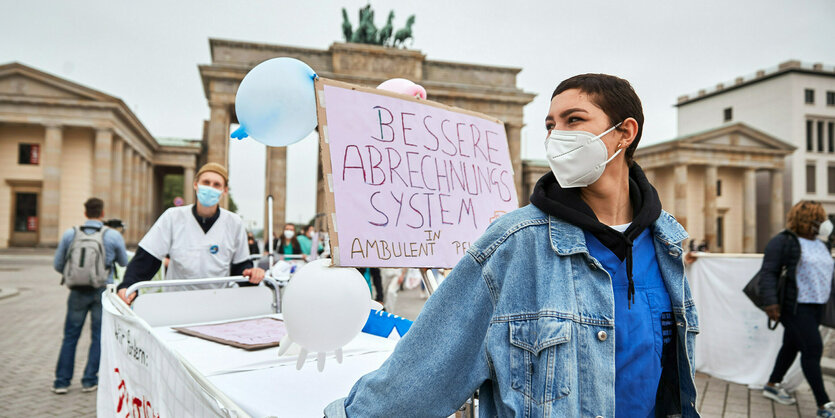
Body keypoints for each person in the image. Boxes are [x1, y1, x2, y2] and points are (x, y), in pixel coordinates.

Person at [324, 74, 699, 417]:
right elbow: (420, 376)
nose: (557, 136)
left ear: (625, 132)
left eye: (574, 120)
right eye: (551, 125)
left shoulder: (667, 243)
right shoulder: (515, 243)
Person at [117, 163, 265, 304]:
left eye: (217, 185)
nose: (210, 188)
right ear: (196, 185)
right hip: (177, 302)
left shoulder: (234, 222)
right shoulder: (173, 217)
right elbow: (147, 258)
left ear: (224, 190)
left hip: (218, 303)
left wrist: (252, 273)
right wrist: (128, 285)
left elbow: (241, 266)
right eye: (206, 182)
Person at [760, 201, 835, 416]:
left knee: (791, 345)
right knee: (812, 350)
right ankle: (823, 404)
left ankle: (772, 384)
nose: (824, 223)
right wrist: (771, 303)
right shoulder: (784, 241)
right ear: (806, 220)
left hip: (817, 305)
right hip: (795, 306)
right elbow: (769, 272)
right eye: (819, 218)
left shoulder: (823, 244)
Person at [53, 198, 128, 394]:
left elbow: (58, 264)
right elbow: (123, 262)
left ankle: (61, 382)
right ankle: (89, 380)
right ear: (102, 213)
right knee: (98, 336)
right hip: (101, 291)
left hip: (77, 291)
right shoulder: (112, 235)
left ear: (85, 213)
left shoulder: (71, 234)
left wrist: (74, 275)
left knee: (70, 336)